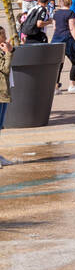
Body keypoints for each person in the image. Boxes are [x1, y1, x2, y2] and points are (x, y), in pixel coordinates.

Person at [52, 0, 75, 92]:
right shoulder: (70, 13)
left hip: (56, 39)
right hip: (67, 39)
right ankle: (72, 85)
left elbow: (54, 28)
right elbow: (72, 28)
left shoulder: (56, 13)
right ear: (70, 3)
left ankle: (55, 87)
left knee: (58, 64)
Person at [0, 25, 13, 166]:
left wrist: (9, 50)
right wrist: (8, 53)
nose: (5, 37)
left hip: (3, 92)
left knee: (0, 125)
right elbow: (5, 69)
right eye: (2, 35)